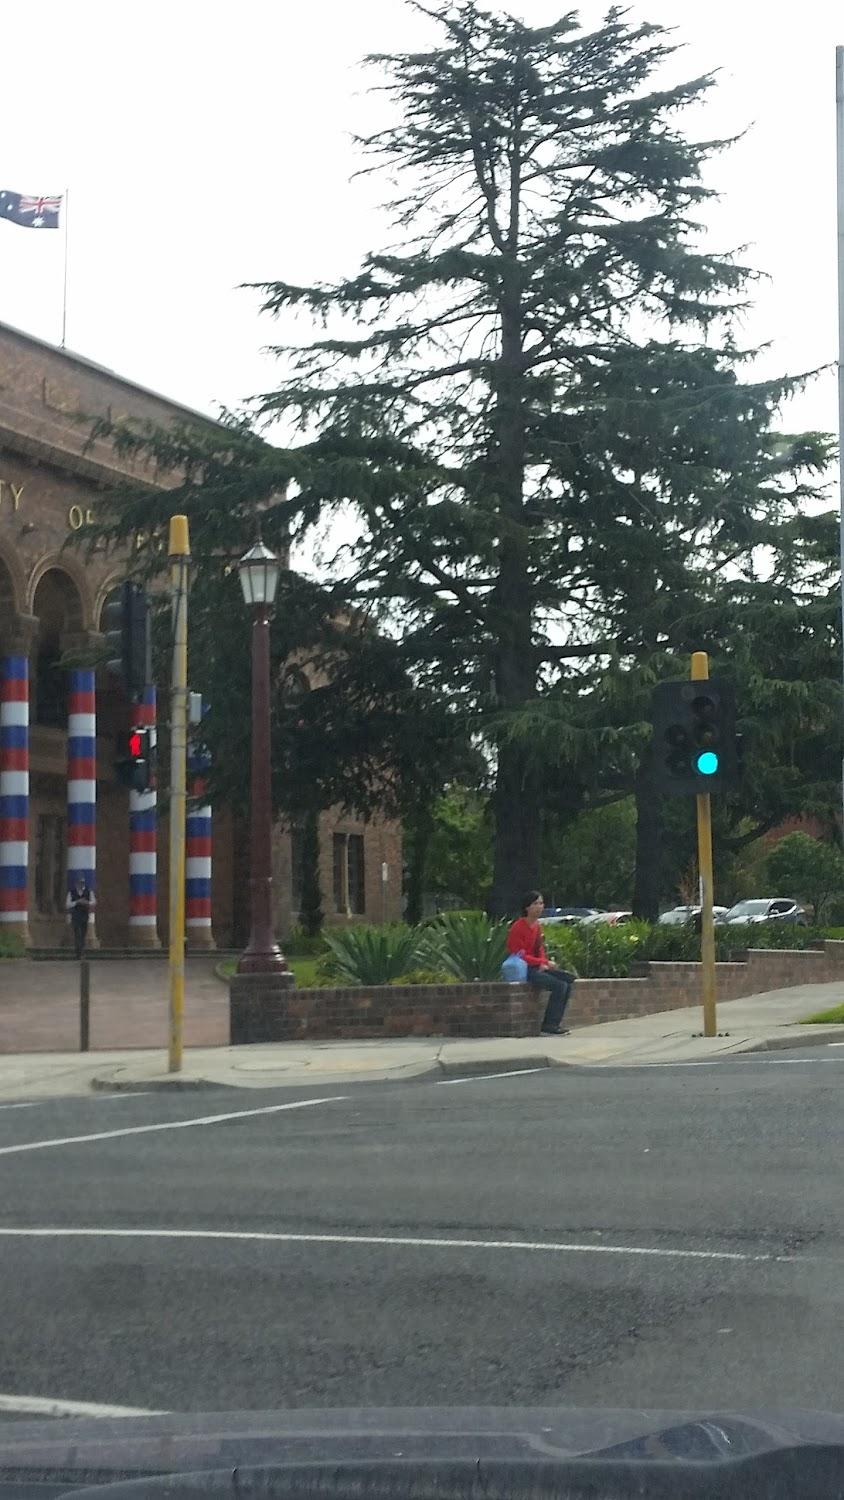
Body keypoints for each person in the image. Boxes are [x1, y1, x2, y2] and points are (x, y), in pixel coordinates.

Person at [506, 890, 575, 1036]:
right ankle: (549, 1026)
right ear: (527, 907)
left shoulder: (537, 926)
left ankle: (555, 1023)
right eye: (535, 903)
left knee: (568, 981)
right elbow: (518, 954)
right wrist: (543, 962)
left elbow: (539, 948)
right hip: (526, 969)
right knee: (559, 986)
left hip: (537, 966)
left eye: (541, 903)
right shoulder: (518, 926)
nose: (539, 907)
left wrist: (543, 963)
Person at [66, 875, 95, 960]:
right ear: (76, 884)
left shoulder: (88, 892)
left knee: (83, 934)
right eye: (79, 883)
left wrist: (87, 902)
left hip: (84, 916)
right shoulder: (71, 892)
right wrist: (77, 902)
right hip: (76, 916)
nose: (80, 884)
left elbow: (93, 902)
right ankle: (79, 953)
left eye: (82, 883)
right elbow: (68, 904)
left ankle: (81, 951)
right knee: (77, 934)